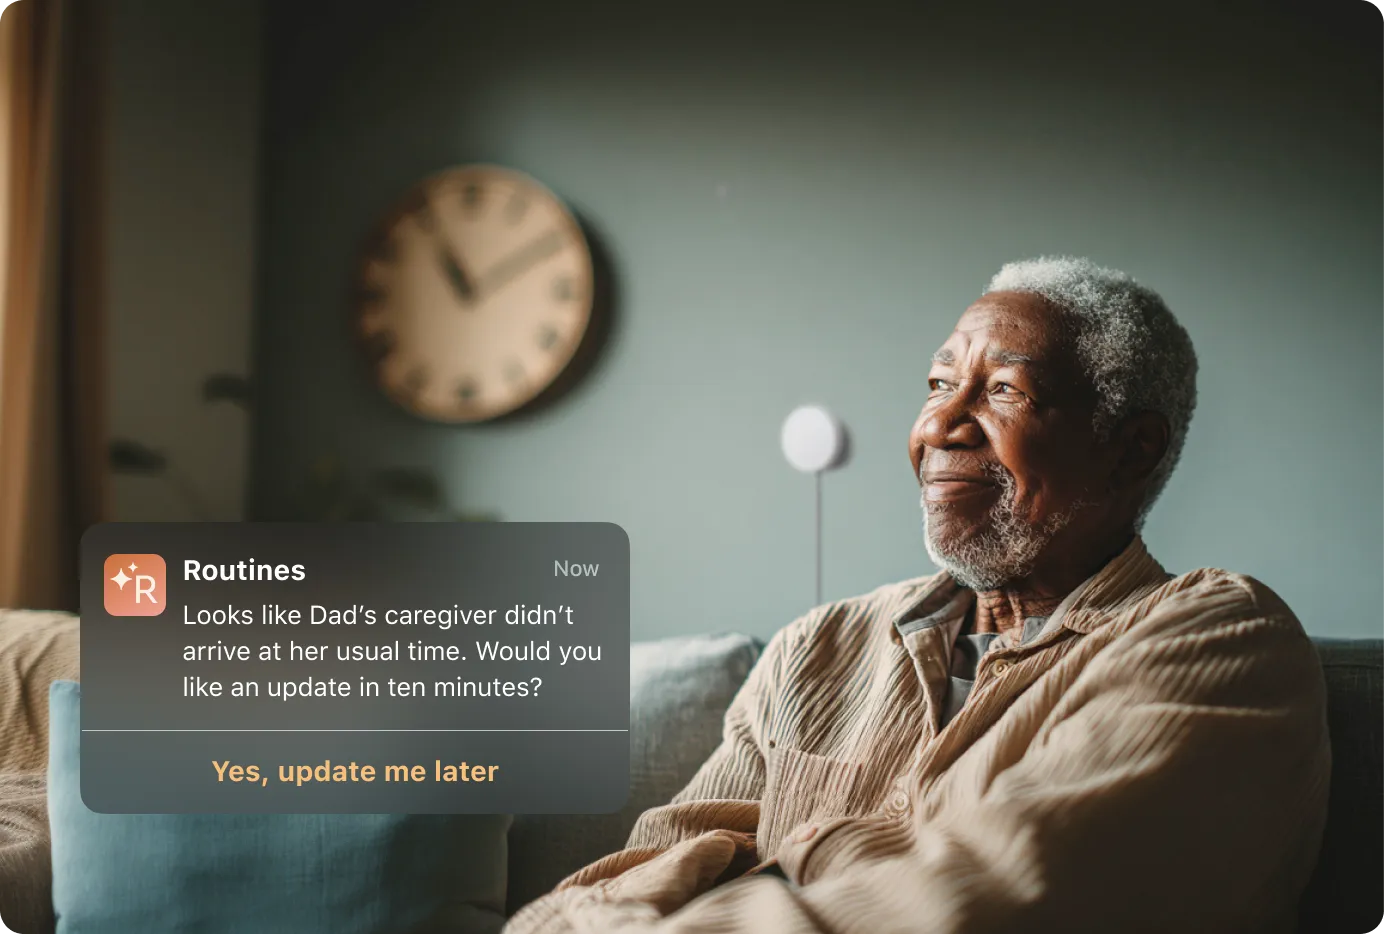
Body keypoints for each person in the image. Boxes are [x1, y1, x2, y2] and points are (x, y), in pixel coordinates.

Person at [506, 257, 1330, 934]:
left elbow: (1002, 898)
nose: (940, 425)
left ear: (1128, 450)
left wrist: (810, 844)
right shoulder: (821, 646)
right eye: (939, 384)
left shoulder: (1219, 637)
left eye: (1003, 390)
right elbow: (651, 863)